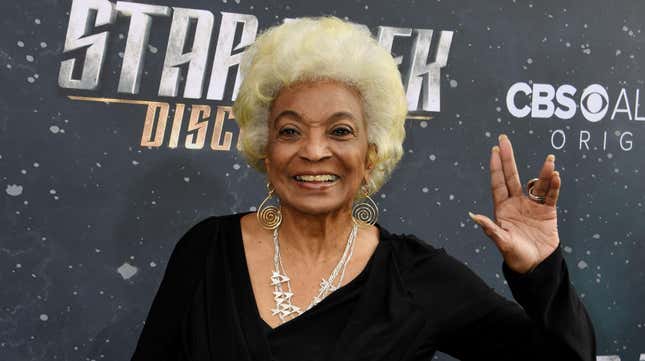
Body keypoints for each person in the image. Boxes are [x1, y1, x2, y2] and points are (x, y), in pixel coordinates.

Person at [130, 16, 596, 361]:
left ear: (371, 153)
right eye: (290, 131)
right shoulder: (207, 250)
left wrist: (541, 272)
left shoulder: (415, 278)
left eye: (340, 131)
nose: (313, 151)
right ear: (264, 149)